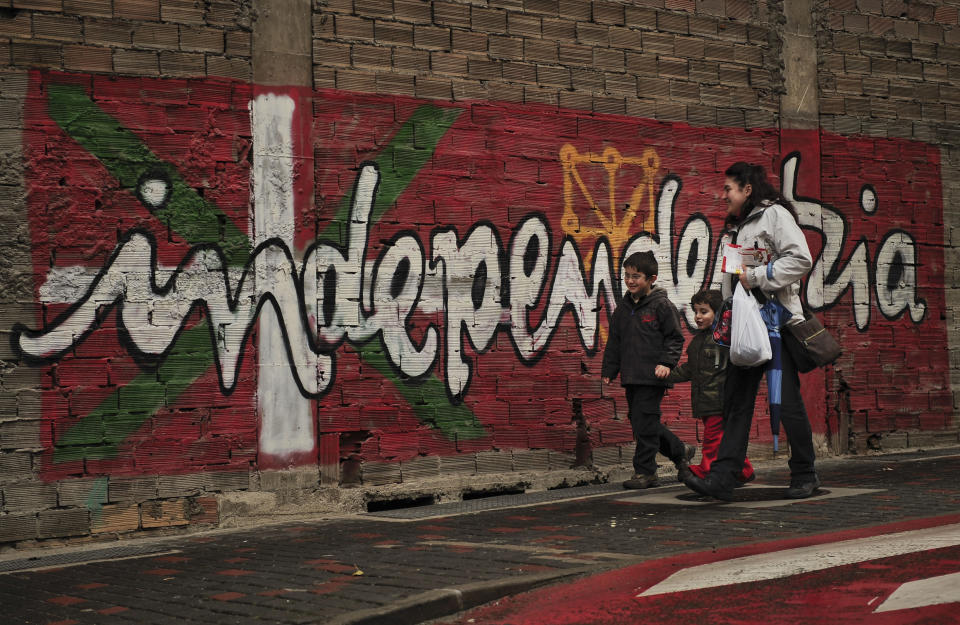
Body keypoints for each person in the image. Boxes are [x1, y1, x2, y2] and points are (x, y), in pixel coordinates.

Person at [683, 161, 819, 501]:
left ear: (747, 189)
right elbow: (731, 281)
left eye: (729, 188)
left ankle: (805, 474)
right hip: (745, 331)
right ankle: (723, 477)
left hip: (777, 327)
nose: (724, 194)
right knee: (736, 404)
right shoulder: (737, 228)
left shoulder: (774, 216)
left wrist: (758, 277)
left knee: (787, 403)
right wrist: (725, 320)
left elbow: (800, 259)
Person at [602, 250, 696, 489]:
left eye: (637, 276)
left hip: (654, 375)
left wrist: (666, 363)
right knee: (640, 421)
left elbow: (675, 338)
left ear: (651, 278)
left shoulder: (662, 306)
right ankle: (679, 450)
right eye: (627, 275)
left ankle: (646, 472)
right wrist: (609, 370)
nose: (631, 281)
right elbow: (615, 342)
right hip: (631, 375)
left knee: (644, 422)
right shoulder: (622, 309)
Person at [667, 289, 755, 483]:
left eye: (704, 311)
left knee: (712, 439)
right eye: (696, 311)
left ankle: (707, 471)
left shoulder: (723, 339)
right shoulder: (698, 340)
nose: (698, 317)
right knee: (723, 439)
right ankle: (744, 470)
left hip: (719, 400)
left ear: (718, 313)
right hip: (705, 401)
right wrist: (667, 376)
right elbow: (690, 369)